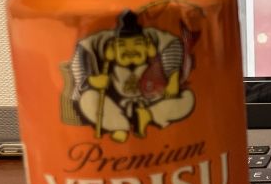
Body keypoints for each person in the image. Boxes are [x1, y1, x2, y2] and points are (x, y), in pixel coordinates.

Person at [70, 9, 196, 142]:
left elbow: (172, 44)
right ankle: (119, 126)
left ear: (147, 45)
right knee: (87, 99)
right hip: (114, 107)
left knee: (187, 98)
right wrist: (91, 80)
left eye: (137, 44)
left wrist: (173, 79)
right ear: (113, 48)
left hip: (151, 102)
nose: (130, 50)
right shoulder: (102, 48)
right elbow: (82, 52)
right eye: (122, 46)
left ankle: (147, 116)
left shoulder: (154, 52)